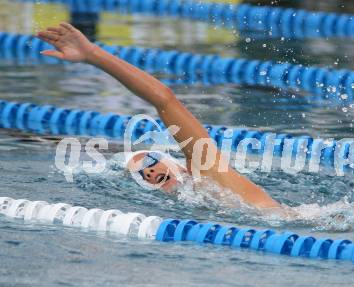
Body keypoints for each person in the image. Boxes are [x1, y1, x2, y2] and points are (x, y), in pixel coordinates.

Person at [37, 23, 280, 209]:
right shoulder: (193, 206)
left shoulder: (208, 171)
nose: (150, 172)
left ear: (182, 167)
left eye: (151, 162)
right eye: (142, 175)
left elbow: (163, 99)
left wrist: (92, 54)